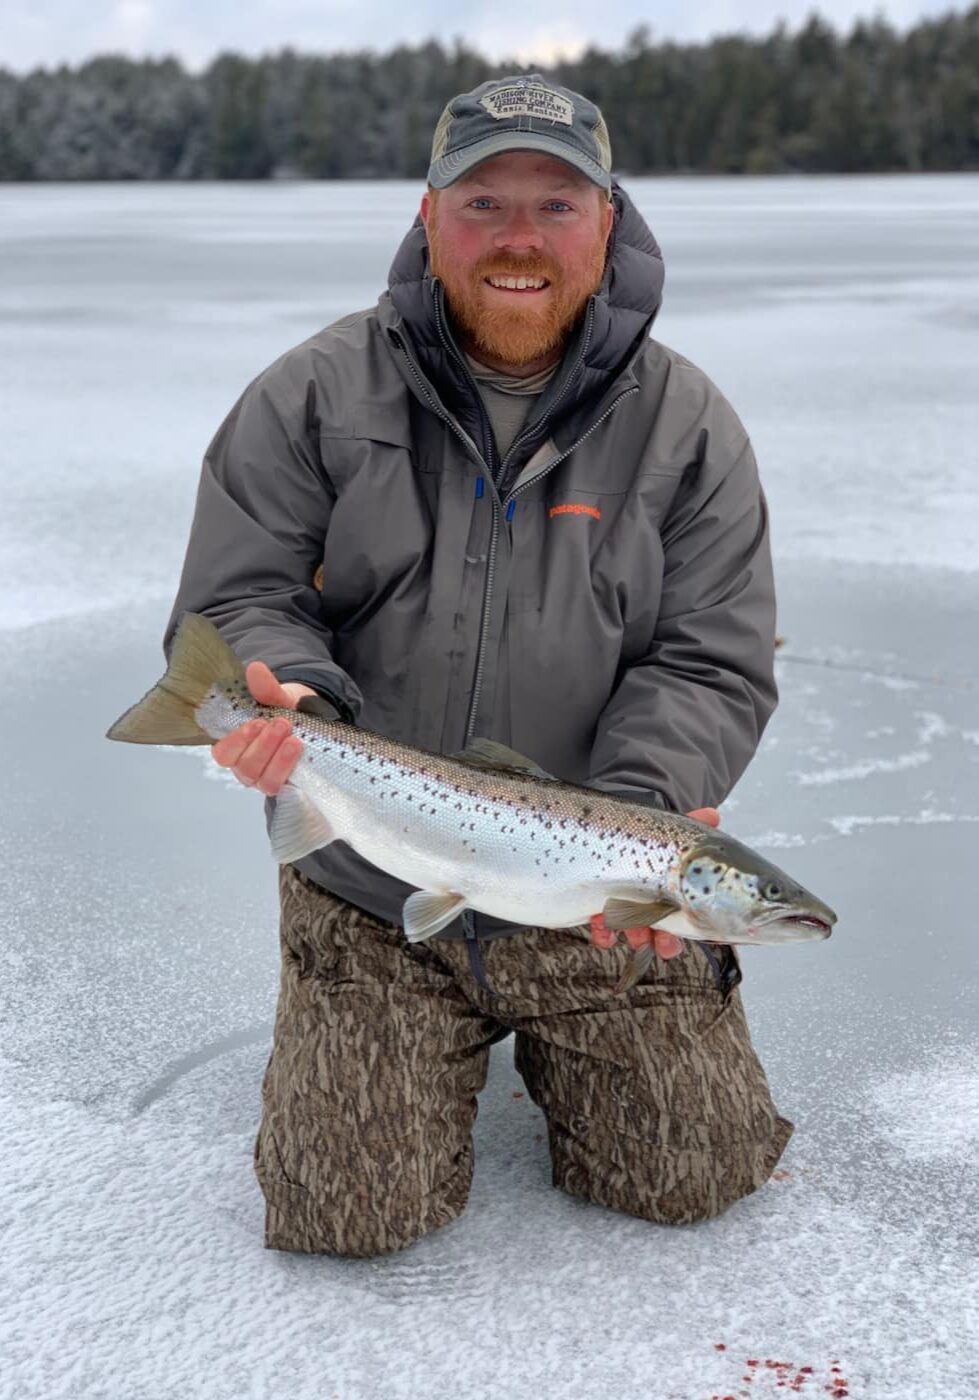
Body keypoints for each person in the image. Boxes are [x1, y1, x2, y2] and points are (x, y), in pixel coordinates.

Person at [165, 74, 792, 1257]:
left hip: (594, 904)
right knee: (346, 1214)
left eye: (556, 205)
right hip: (370, 878)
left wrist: (644, 819)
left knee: (693, 1171)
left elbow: (711, 658)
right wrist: (290, 694)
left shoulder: (687, 424)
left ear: (608, 220)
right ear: (427, 214)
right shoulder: (314, 393)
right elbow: (239, 595)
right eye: (484, 201)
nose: (519, 237)